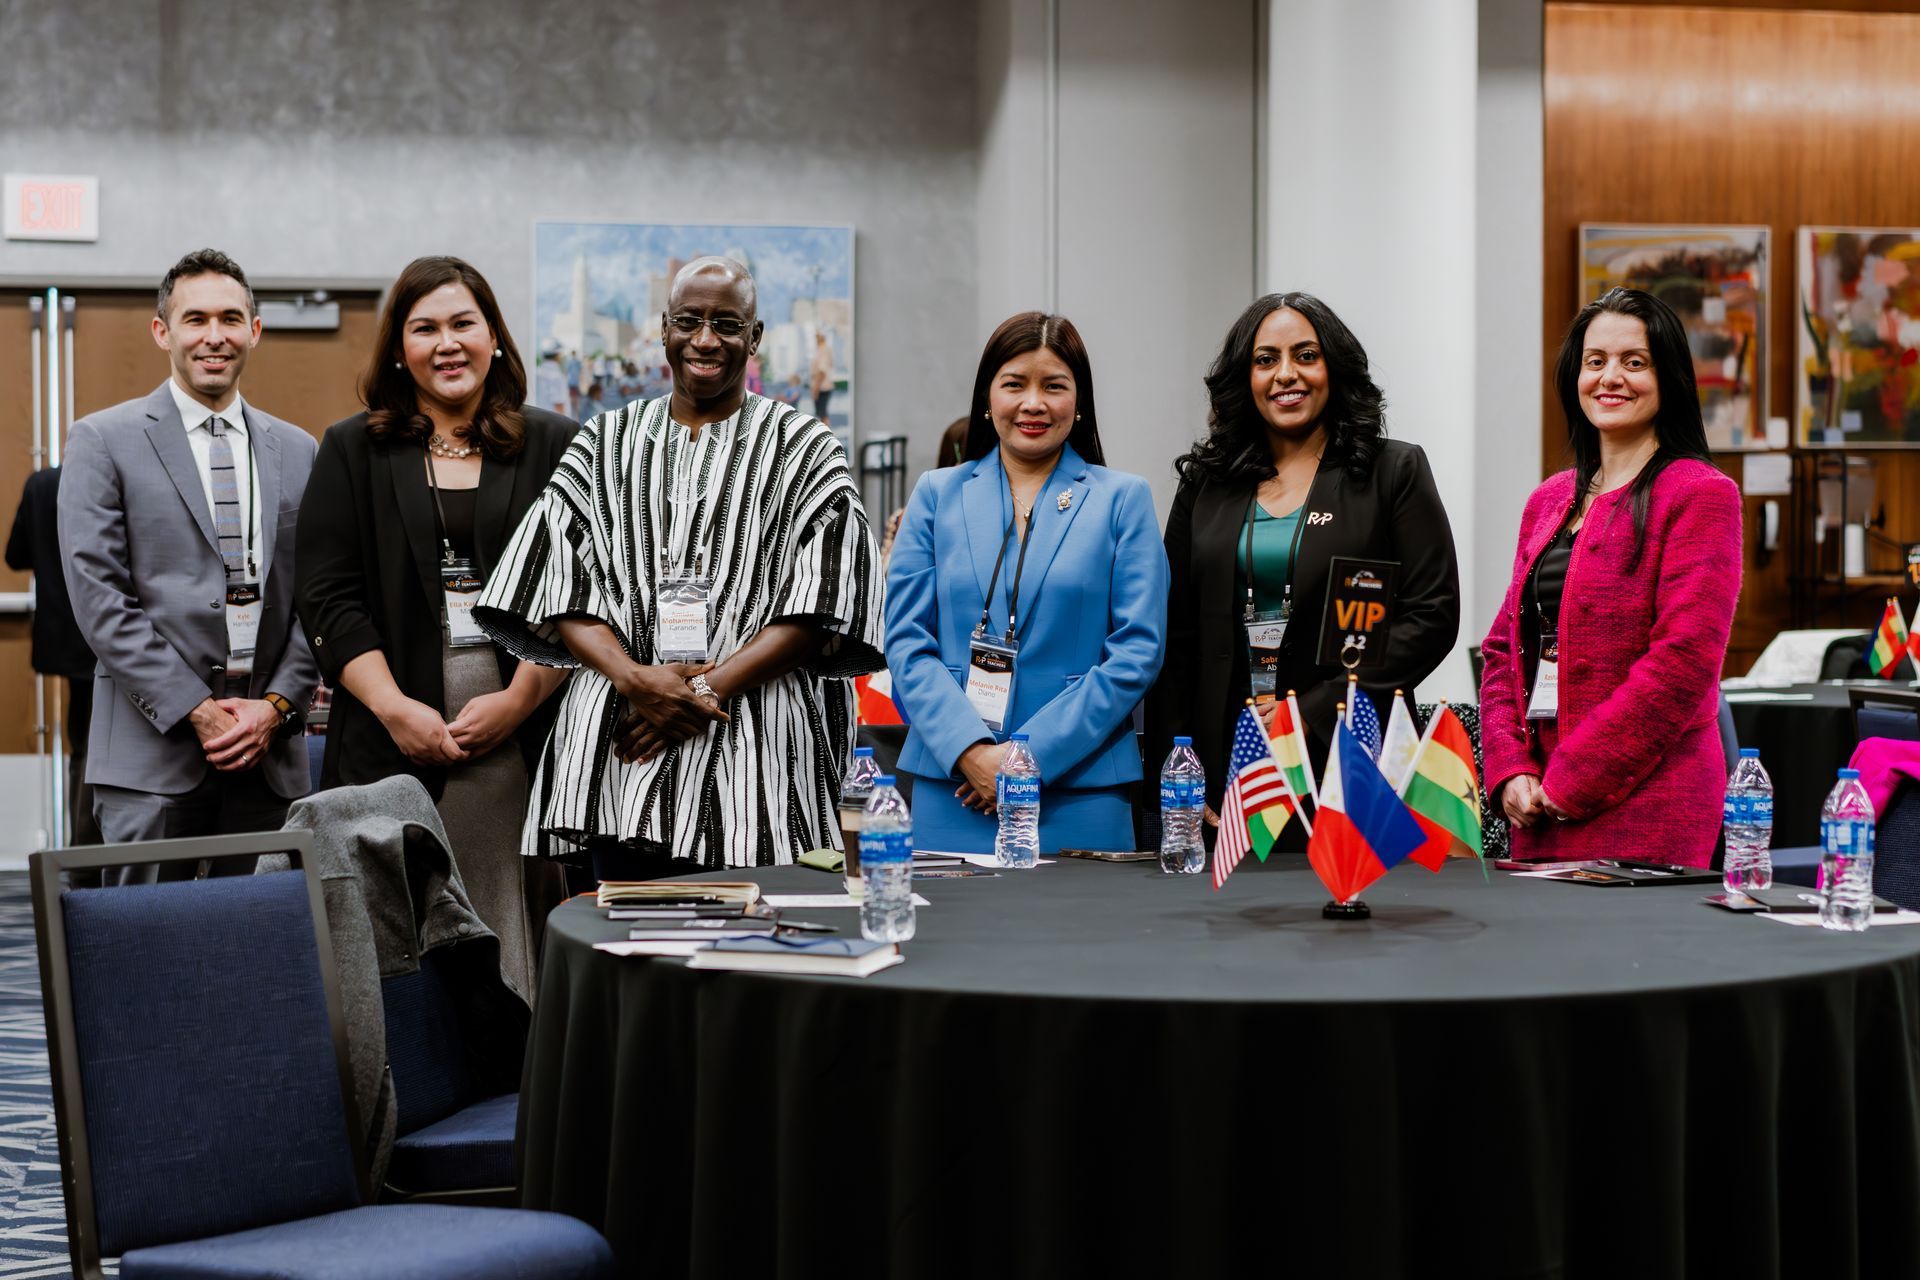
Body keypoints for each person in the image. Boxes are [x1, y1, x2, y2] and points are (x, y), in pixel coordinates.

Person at [475, 256, 884, 871]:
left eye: (726, 323)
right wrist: (637, 680)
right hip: (625, 747)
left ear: (756, 336)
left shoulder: (808, 449)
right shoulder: (602, 441)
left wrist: (697, 691)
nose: (705, 339)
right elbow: (555, 583)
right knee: (630, 939)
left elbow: (824, 608)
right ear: (664, 327)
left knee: (758, 947)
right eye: (689, 320)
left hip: (760, 752)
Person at [295, 256, 576, 991]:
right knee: (398, 943)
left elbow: (583, 596)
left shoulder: (558, 445)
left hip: (524, 730)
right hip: (392, 729)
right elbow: (328, 595)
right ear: (399, 347)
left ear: (494, 338)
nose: (446, 343)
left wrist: (518, 703)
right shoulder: (353, 448)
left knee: (516, 936)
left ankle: (522, 1095)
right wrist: (394, 709)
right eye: (425, 328)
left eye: (463, 324)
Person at [1145, 292, 1458, 829]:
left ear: (1333, 368)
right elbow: (1175, 635)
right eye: (1266, 360)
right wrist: (1178, 772)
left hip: (1340, 752)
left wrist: (1312, 710)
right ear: (1245, 378)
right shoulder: (1206, 482)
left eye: (1305, 356)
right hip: (1222, 761)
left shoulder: (1392, 472)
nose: (1285, 374)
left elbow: (1430, 616)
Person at [60, 249, 319, 864]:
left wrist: (276, 708)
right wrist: (196, 710)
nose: (214, 336)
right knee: (145, 952)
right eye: (194, 318)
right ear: (163, 331)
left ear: (254, 330)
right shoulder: (103, 440)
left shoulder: (300, 448)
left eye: (231, 319)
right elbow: (100, 599)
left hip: (267, 757)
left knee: (260, 949)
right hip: (152, 755)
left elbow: (318, 597)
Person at [885, 312, 1168, 854]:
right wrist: (970, 751)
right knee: (950, 939)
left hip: (1078, 785)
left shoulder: (1122, 500)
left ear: (1078, 401)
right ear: (988, 398)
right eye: (1014, 384)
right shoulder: (936, 494)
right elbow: (904, 640)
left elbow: (1138, 650)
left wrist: (1025, 759)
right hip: (954, 783)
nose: (1033, 403)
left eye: (1054, 386)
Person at [1480, 287, 1740, 866]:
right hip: (1536, 806)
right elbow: (1502, 651)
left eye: (1634, 361)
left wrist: (1575, 780)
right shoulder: (1547, 501)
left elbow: (1684, 661)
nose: (1610, 378)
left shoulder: (1700, 495)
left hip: (1650, 805)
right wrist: (1508, 768)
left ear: (1667, 376)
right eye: (1595, 361)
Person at [7, 466, 101, 846]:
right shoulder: (105, 477)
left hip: (62, 636)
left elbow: (15, 556)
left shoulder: (40, 484)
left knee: (81, 748)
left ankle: (80, 857)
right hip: (106, 635)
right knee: (99, 752)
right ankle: (90, 858)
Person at [810, 327, 835, 425]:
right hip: (822, 386)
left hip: (822, 387)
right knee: (822, 415)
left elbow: (822, 371)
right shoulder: (823, 349)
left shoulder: (823, 350)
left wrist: (815, 388)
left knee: (823, 415)